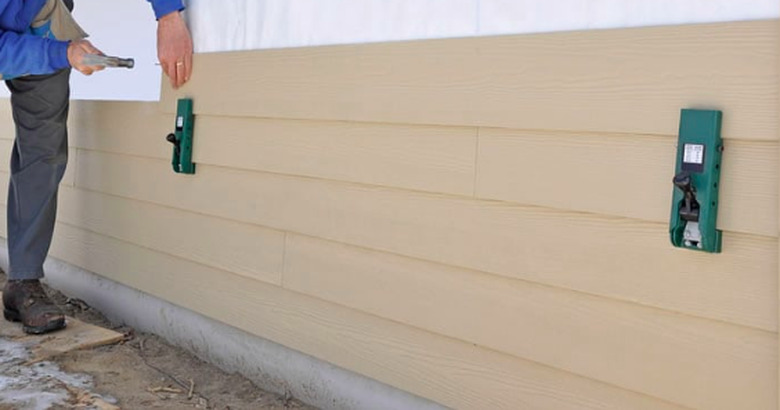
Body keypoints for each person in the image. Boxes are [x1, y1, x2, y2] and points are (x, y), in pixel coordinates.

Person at [0, 0, 193, 335]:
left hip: (39, 16)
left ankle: (23, 281)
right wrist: (61, 54)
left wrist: (169, 16)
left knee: (43, 154)